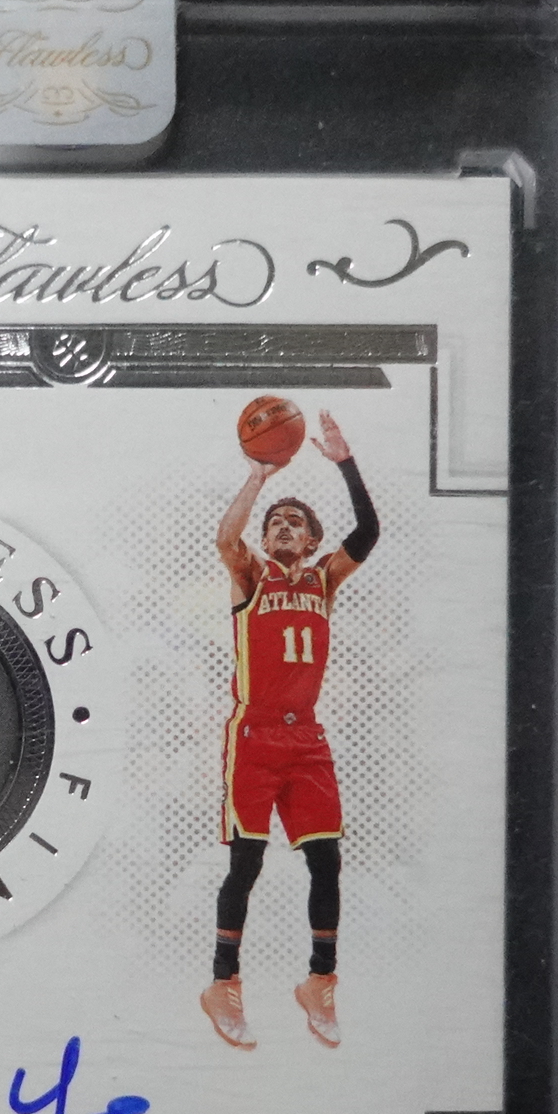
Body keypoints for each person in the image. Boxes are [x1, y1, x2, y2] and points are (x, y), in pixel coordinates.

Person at [199, 408, 380, 1050]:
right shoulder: (253, 575)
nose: (282, 526)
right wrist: (258, 478)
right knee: (246, 862)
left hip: (306, 740)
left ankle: (320, 981)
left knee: (327, 860)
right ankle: (223, 983)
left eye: (294, 522)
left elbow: (369, 530)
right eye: (275, 521)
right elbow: (226, 539)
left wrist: (345, 463)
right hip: (253, 736)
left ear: (310, 540)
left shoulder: (325, 579)